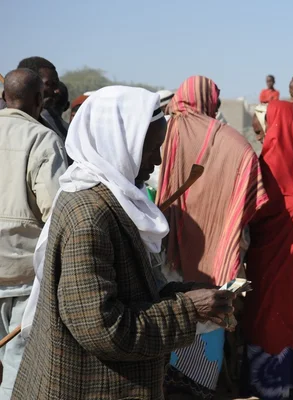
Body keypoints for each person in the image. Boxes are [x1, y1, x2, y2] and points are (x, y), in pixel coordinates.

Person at [12, 86, 237, 399]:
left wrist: (185, 294)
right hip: (87, 386)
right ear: (117, 143)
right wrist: (187, 309)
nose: (157, 160)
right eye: (149, 148)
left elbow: (126, 290)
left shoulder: (109, 200)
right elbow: (103, 329)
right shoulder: (90, 215)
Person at [157, 76, 267, 399]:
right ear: (211, 103)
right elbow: (248, 207)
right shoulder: (235, 144)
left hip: (164, 260)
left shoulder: (159, 134)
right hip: (216, 264)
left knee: (167, 331)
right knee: (206, 326)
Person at [241, 100, 293, 399]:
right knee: (288, 317)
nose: (261, 139)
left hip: (275, 261)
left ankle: (270, 387)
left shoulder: (273, 166)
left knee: (270, 319)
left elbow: (256, 210)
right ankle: (288, 386)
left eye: (261, 132)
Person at [0, 69, 68, 399]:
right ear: (40, 101)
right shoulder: (42, 139)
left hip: (17, 276)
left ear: (3, 98)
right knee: (17, 365)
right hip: (25, 277)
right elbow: (56, 212)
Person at [17, 57, 69, 141]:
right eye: (50, 84)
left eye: (56, 84)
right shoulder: (7, 125)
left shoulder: (55, 127)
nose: (57, 90)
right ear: (29, 84)